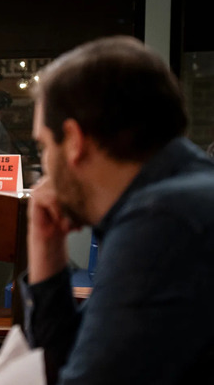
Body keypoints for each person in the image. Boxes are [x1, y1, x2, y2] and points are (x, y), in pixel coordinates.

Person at [21, 36, 214, 384]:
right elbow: (72, 365)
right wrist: (46, 249)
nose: (45, 166)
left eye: (44, 146)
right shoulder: (184, 196)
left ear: (75, 141)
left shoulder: (162, 222)